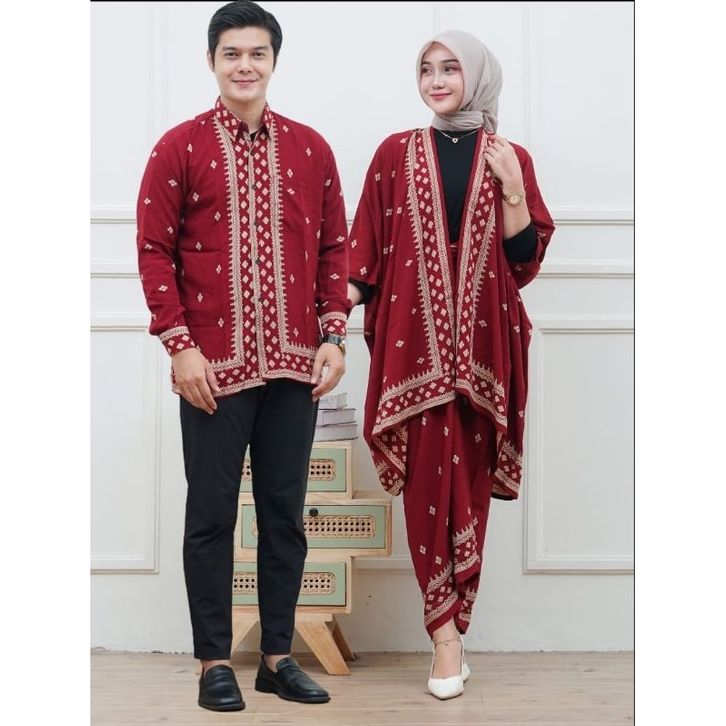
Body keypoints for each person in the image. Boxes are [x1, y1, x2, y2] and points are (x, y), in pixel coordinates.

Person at [136, 0, 350, 712]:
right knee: (211, 515)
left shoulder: (312, 150)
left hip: (294, 367)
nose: (245, 65)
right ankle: (213, 663)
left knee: (285, 514)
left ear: (274, 61)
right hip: (212, 372)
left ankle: (278, 658)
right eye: (232, 53)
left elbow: (334, 249)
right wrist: (180, 347)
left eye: (257, 53)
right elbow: (154, 251)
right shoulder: (179, 147)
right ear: (211, 61)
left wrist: (333, 335)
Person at [347, 30, 555, 700]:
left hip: (486, 351)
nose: (436, 81)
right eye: (426, 69)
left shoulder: (509, 156)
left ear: (478, 77)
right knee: (424, 488)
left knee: (468, 485)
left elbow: (522, 263)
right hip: (412, 349)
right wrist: (328, 318)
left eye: (450, 68)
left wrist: (514, 190)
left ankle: (455, 625)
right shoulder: (394, 153)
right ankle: (444, 637)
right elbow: (365, 250)